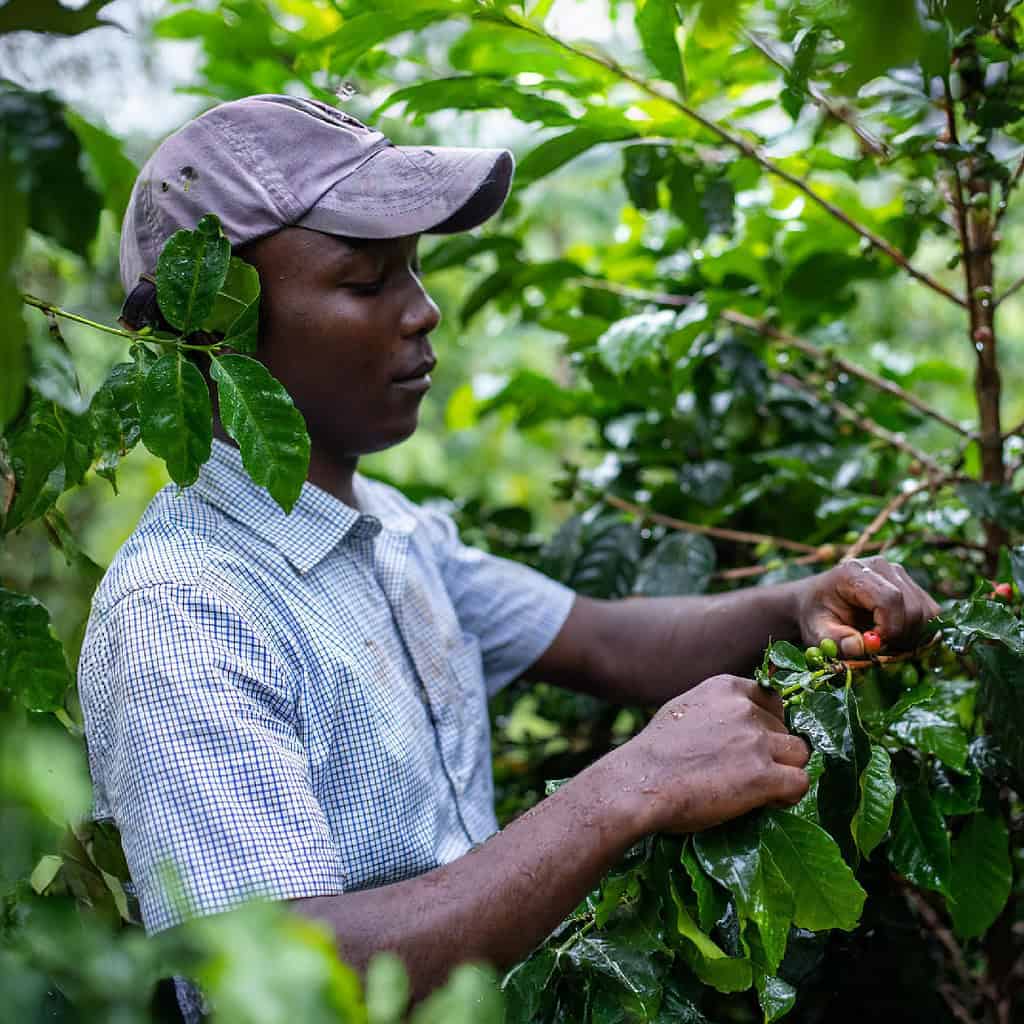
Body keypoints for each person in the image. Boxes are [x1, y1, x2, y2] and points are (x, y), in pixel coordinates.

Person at [78, 94, 941, 1017]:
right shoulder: (180, 613)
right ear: (212, 335)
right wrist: (632, 788)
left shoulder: (387, 527)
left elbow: (602, 641)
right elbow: (274, 983)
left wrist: (796, 604)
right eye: (366, 282)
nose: (423, 311)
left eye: (414, 269)